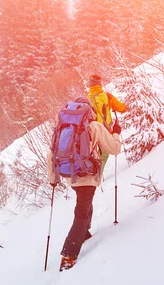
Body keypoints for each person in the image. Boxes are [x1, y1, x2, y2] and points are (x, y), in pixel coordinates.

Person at [47, 97, 122, 270]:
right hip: (86, 176)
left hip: (70, 174)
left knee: (84, 203)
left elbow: (50, 155)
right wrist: (116, 133)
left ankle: (84, 234)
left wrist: (53, 179)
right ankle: (68, 255)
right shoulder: (94, 126)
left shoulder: (62, 128)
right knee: (81, 211)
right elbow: (115, 149)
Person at [86, 74, 126, 174]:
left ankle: (93, 173)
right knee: (104, 154)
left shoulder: (86, 100)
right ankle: (97, 174)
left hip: (93, 133)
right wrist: (125, 108)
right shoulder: (107, 96)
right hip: (106, 131)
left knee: (96, 153)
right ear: (100, 84)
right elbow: (121, 108)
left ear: (90, 86)